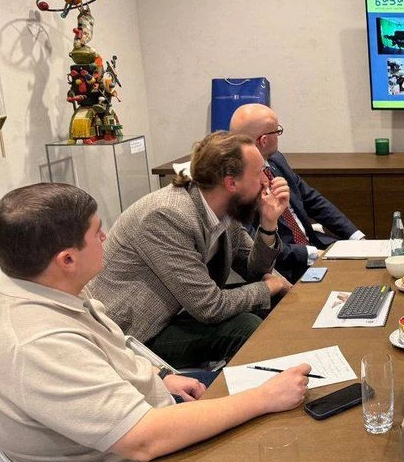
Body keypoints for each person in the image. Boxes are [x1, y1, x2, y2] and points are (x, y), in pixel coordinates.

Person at [0, 183, 310, 462]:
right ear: (67, 260)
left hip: (153, 417)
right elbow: (144, 439)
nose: (105, 237)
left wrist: (160, 376)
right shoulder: (39, 344)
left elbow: (111, 349)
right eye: (96, 232)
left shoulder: (42, 284)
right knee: (288, 451)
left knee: (284, 409)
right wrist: (264, 398)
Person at [89, 131, 293, 369]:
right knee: (246, 326)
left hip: (183, 309)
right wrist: (270, 286)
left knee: (269, 302)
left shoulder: (224, 207)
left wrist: (268, 224)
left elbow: (255, 270)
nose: (267, 181)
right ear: (231, 183)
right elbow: (210, 307)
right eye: (259, 173)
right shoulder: (167, 216)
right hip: (137, 334)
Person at [230, 104, 365, 282]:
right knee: (353, 282)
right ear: (264, 140)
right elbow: (255, 247)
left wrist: (356, 237)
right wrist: (311, 254)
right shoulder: (237, 185)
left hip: (316, 245)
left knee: (369, 267)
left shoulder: (276, 160)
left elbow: (312, 200)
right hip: (286, 267)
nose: (279, 135)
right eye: (277, 131)